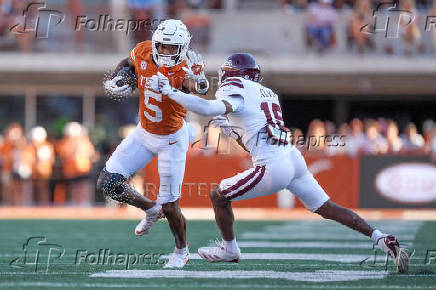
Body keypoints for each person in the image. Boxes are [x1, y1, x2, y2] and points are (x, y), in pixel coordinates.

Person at [150, 52, 410, 273]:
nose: (224, 77)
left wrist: (171, 91)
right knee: (327, 206)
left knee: (218, 195)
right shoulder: (268, 94)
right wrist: (229, 130)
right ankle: (381, 238)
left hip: (273, 165)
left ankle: (230, 249)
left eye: (227, 72)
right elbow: (253, 135)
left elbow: (207, 110)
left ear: (235, 74)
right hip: (292, 158)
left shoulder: (235, 89)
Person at [99, 19, 208, 269]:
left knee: (171, 206)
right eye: (163, 46)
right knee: (107, 183)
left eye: (172, 48)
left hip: (171, 138)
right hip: (143, 132)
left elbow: (197, 87)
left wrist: (199, 81)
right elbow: (127, 63)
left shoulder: (187, 67)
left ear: (182, 48)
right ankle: (149, 209)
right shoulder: (143, 50)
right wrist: (116, 79)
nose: (167, 51)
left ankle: (181, 249)